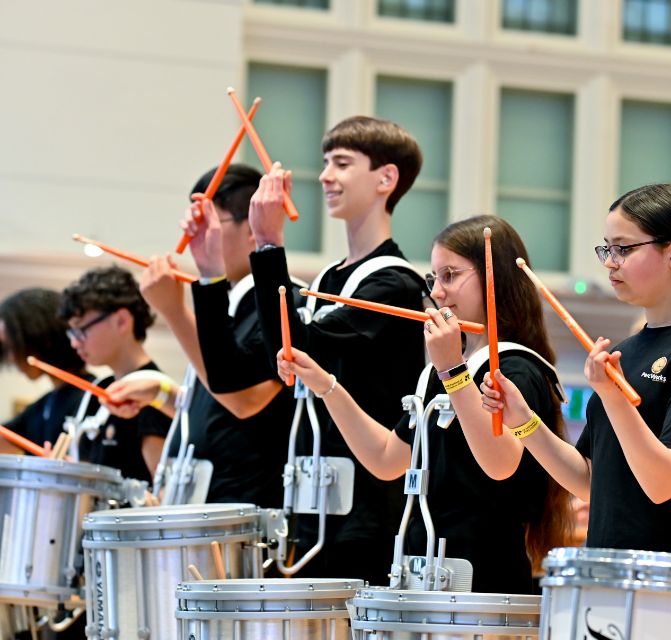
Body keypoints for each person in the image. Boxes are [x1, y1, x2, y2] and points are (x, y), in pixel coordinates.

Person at [278, 215, 573, 593]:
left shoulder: (518, 367)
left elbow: (500, 464)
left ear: (494, 276)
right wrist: (325, 385)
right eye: (434, 279)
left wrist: (452, 368)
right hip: (422, 573)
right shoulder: (442, 373)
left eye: (450, 275)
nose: (437, 293)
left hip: (483, 582)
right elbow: (386, 460)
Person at [481, 184, 671, 559]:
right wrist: (523, 420)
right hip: (612, 568)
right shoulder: (626, 351)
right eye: (607, 248)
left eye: (624, 248)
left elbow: (663, 482)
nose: (610, 261)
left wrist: (612, 396)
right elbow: (592, 480)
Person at [248, 116, 426, 584]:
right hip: (314, 502)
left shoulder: (394, 284)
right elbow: (282, 362)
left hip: (365, 512)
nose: (325, 175)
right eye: (326, 162)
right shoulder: (330, 279)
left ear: (386, 179)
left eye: (342, 163)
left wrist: (268, 246)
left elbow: (297, 347)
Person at [104, 164, 294, 508]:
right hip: (205, 504)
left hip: (245, 512)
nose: (196, 236)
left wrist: (175, 311)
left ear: (253, 227)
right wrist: (162, 394)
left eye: (212, 223)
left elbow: (244, 400)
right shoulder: (227, 302)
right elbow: (216, 404)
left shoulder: (281, 300)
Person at [59, 265, 170, 481]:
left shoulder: (154, 393)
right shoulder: (99, 389)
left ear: (121, 321)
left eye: (81, 330)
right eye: (71, 332)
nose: (74, 343)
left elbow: (162, 494)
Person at [0, 288, 90, 453]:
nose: (12, 358)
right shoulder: (42, 406)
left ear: (39, 337)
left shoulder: (92, 398)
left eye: (14, 346)